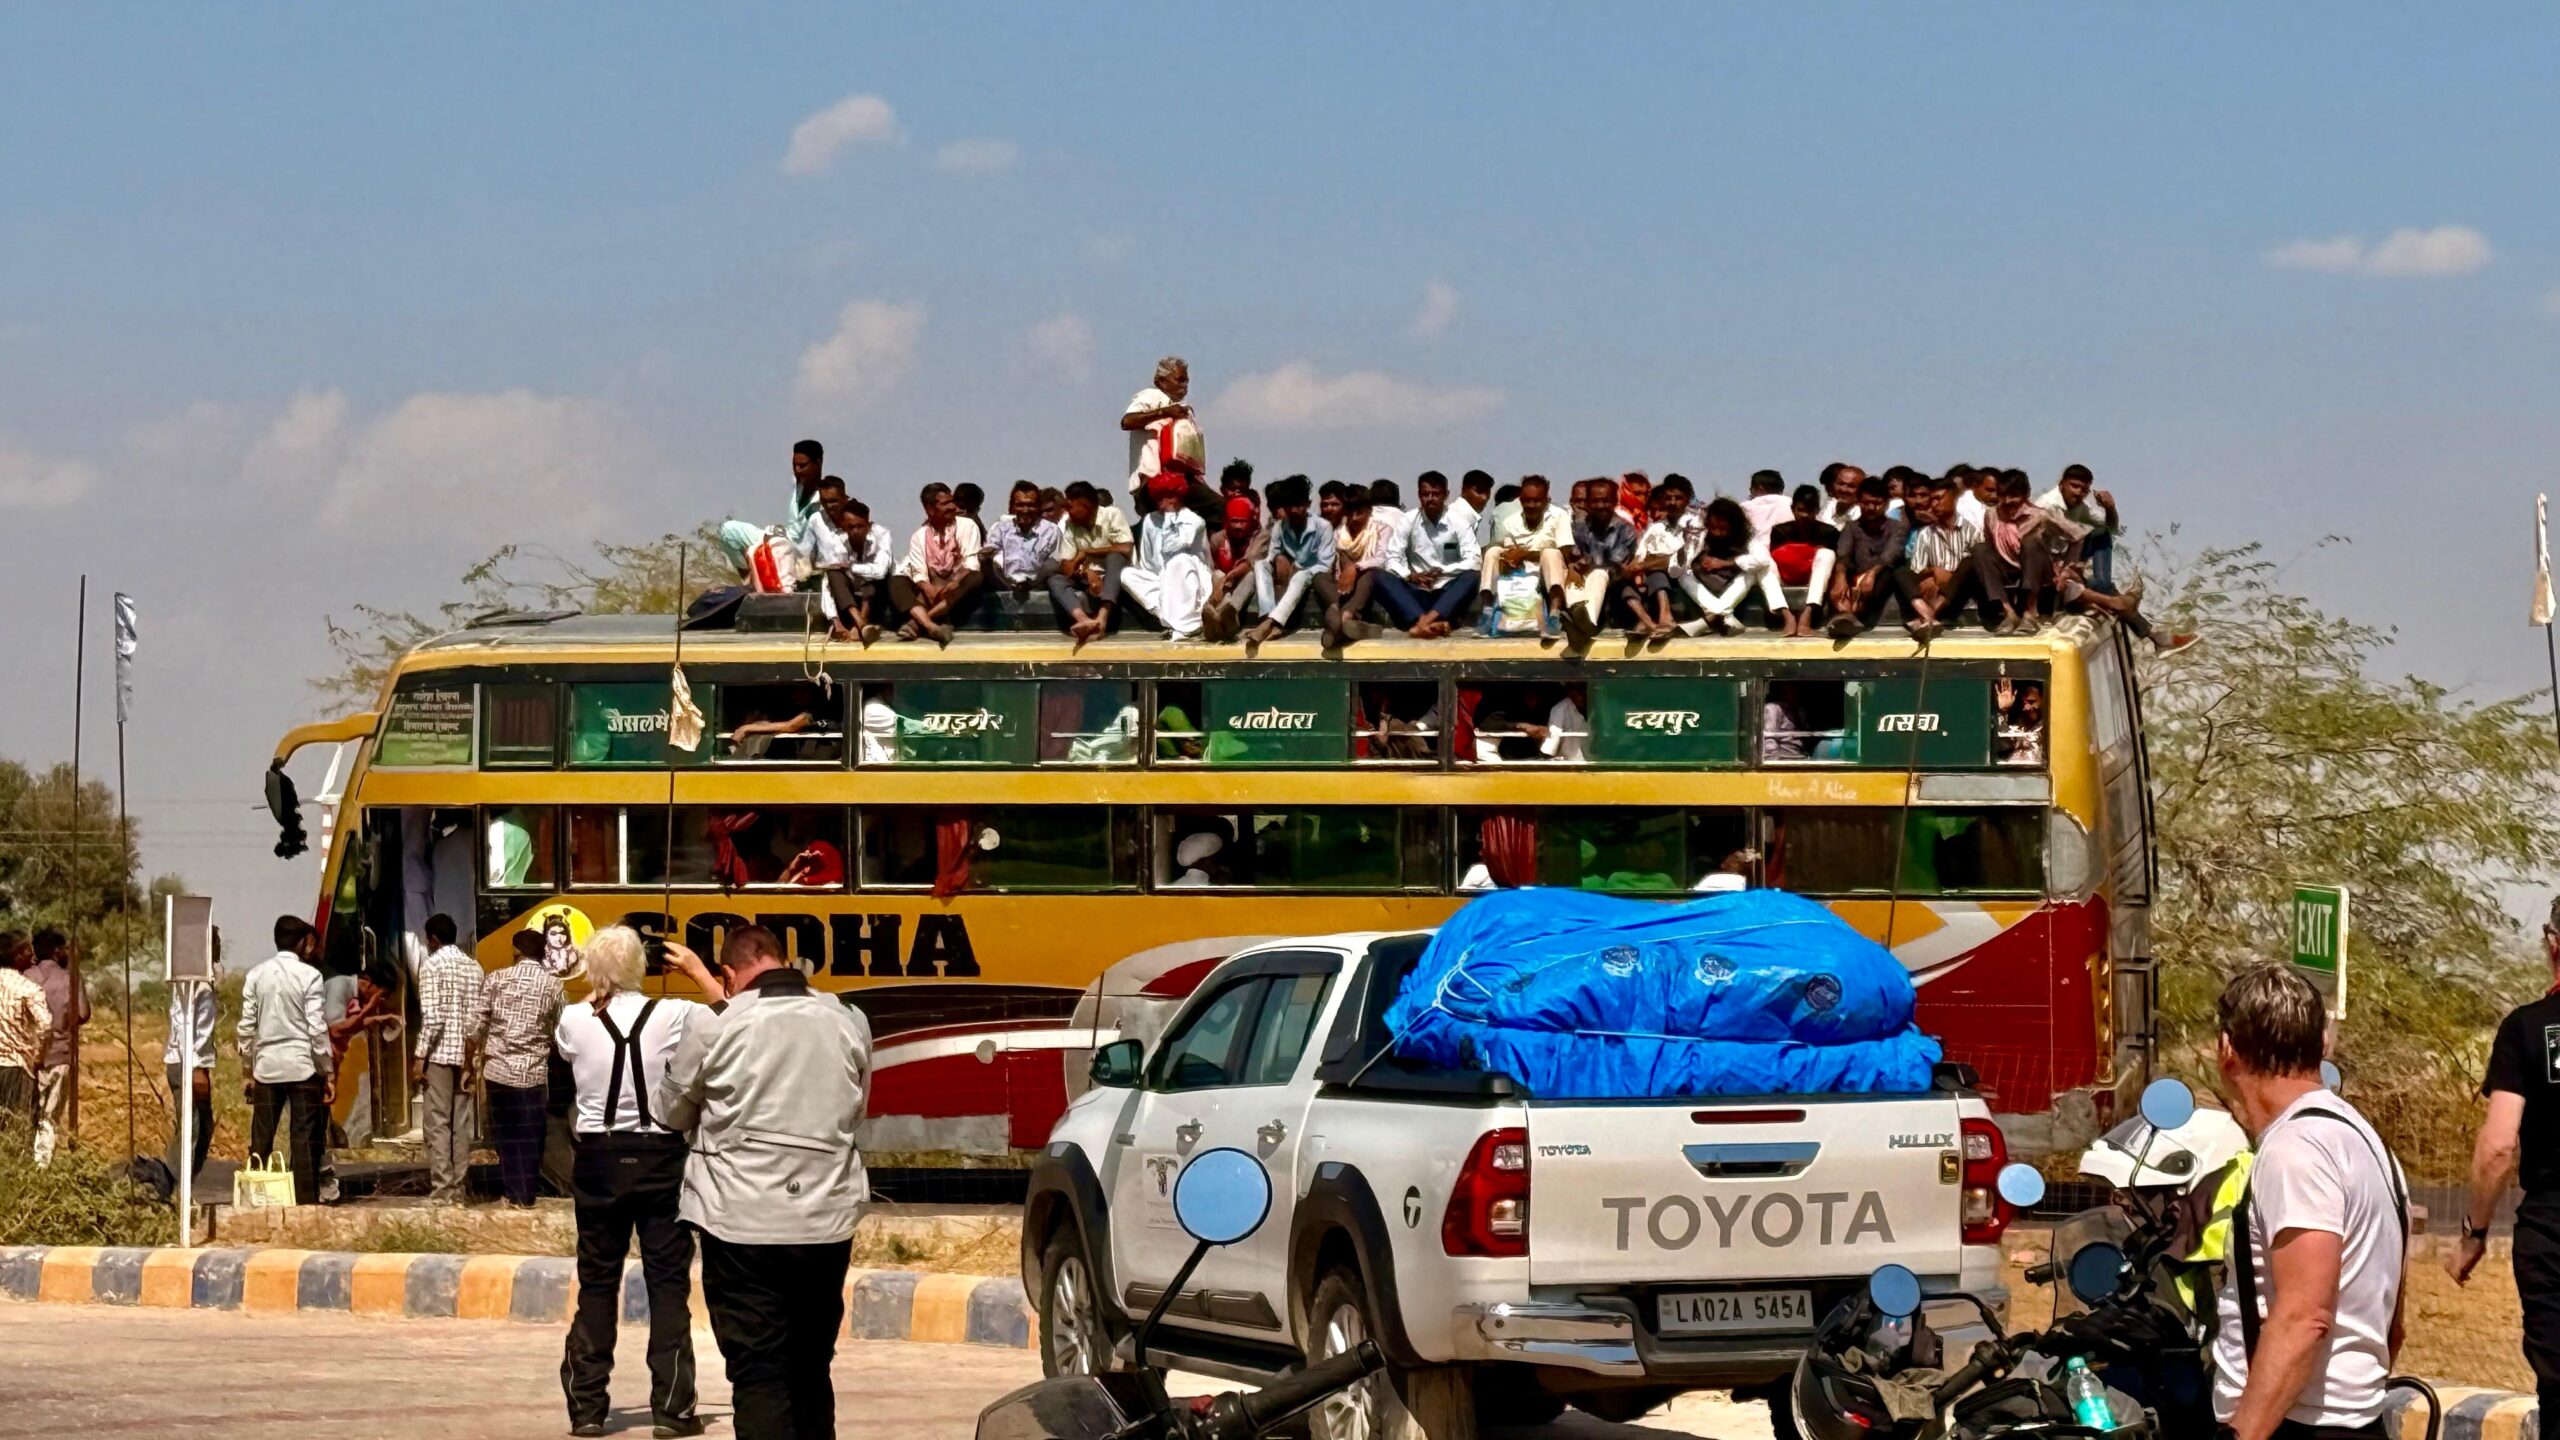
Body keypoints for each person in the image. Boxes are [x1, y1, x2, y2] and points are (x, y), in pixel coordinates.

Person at [658, 925, 872, 1440]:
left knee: (758, 1373)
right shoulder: (849, 1018)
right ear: (784, 960)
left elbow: (671, 1112)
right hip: (825, 1222)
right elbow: (858, 1107)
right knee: (811, 1367)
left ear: (728, 975)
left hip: (740, 1226)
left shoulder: (715, 1023)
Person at [2209, 965, 2406, 1440]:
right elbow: (2393, 1320)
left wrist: (2244, 1433)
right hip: (2349, 1419)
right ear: (2323, 1043)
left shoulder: (2296, 1149)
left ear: (2227, 1050)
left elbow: (2305, 1316)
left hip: (2296, 1426)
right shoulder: (2366, 1142)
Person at [558, 927, 715, 1439]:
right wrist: (695, 969)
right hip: (660, 1156)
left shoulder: (573, 1019)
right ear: (642, 967)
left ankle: (587, 1407)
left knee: (597, 1280)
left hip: (598, 1158)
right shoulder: (674, 1013)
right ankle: (672, 1407)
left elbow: (573, 1044)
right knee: (668, 1284)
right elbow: (731, 1016)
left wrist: (597, 986)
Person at [2450, 896, 2560, 1424]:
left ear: (2552, 943)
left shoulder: (2526, 1027)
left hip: (2552, 1231)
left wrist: (2474, 1233)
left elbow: (2498, 1146)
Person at [238, 916, 333, 1205]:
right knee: (303, 1140)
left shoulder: (256, 975)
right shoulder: (310, 976)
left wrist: (247, 1069)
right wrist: (327, 1070)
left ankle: (254, 1199)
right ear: (302, 942)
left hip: (266, 1068)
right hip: (302, 1068)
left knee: (261, 1138)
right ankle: (305, 1203)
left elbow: (246, 1028)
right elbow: (316, 1028)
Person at [481, 930, 565, 1210]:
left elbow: (478, 1023)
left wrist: (472, 1060)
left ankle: (510, 1192)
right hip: (533, 1073)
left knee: (505, 1135)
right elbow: (561, 1029)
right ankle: (526, 1194)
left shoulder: (496, 979)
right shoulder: (553, 985)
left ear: (516, 951)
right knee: (531, 1136)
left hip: (498, 1072)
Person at [413, 913, 484, 1207]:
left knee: (437, 1122)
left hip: (440, 1054)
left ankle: (442, 1189)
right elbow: (478, 1019)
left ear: (433, 939)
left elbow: (433, 1017)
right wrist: (472, 1055)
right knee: (460, 1122)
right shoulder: (474, 967)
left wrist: (420, 1056)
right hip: (465, 1056)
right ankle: (459, 1188)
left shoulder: (431, 966)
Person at [1378, 469, 1483, 638]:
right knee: (1379, 577)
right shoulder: (1408, 520)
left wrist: (1441, 572)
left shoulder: (1458, 522)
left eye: (1436, 494)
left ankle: (1424, 623)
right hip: (1417, 591)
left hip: (1447, 592)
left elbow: (1474, 560)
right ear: (1419, 495)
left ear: (1446, 495)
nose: (1430, 498)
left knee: (1472, 576)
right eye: (1425, 494)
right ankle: (1428, 623)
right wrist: (1411, 576)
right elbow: (1392, 559)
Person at [1245, 475, 1338, 654]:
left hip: (1312, 577)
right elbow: (1272, 556)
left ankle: (1271, 623)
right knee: (1260, 565)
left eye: (1299, 505)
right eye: (1290, 506)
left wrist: (1300, 568)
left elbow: (1325, 564)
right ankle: (1266, 616)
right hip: (1288, 574)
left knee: (1301, 575)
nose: (1294, 510)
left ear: (1308, 504)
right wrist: (1278, 561)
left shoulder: (1323, 527)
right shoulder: (1280, 527)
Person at [1479, 474, 1576, 637]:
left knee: (1551, 553)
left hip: (1550, 574)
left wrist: (1527, 554)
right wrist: (1511, 558)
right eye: (1526, 501)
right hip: (1520, 574)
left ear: (1546, 500)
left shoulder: (1560, 516)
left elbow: (1565, 552)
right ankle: (1487, 611)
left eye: (1536, 501)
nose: (1531, 505)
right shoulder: (1511, 521)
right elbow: (1510, 553)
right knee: (1493, 552)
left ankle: (1555, 615)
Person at [718, 440, 829, 580]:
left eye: (802, 466)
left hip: (800, 561)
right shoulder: (799, 486)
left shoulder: (826, 501)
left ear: (818, 463)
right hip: (783, 542)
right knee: (729, 531)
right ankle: (750, 579)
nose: (797, 471)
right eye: (794, 465)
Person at [889, 482, 983, 645]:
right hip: (932, 589)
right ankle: (931, 626)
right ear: (930, 509)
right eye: (945, 503)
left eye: (952, 501)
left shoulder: (967, 526)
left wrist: (955, 581)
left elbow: (971, 562)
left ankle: (916, 624)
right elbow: (917, 570)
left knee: (975, 576)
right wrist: (928, 588)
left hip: (955, 588)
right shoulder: (919, 536)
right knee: (897, 581)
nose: (952, 507)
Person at [1121, 355, 1215, 518]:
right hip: (1153, 481)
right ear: (1161, 381)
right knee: (1219, 509)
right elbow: (1127, 421)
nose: (1184, 386)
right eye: (1180, 380)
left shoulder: (1181, 409)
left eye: (1186, 381)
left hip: (1180, 481)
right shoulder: (1151, 396)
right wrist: (1163, 412)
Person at [1826, 475, 1918, 639]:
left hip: (1881, 578)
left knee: (1892, 570)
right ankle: (1844, 615)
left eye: (1877, 503)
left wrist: (1871, 574)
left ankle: (1852, 616)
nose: (1871, 507)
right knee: (1835, 568)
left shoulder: (1897, 527)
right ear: (1858, 502)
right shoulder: (1851, 527)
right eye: (1866, 502)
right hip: (1856, 577)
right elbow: (1843, 554)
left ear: (1886, 503)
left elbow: (1890, 555)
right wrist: (1840, 576)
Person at [1049, 481, 1135, 647]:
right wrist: (1086, 573)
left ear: (1087, 505)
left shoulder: (1112, 514)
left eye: (1071, 507)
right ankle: (1083, 619)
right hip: (1086, 578)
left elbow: (1125, 548)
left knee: (1115, 557)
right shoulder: (1070, 525)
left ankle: (1102, 618)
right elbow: (1067, 565)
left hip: (1114, 577)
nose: (1067, 512)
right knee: (1055, 578)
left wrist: (1088, 552)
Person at [165, 929, 221, 1183]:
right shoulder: (194, 983)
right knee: (192, 1128)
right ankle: (176, 1188)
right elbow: (185, 1025)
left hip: (191, 1062)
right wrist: (196, 1067)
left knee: (202, 1127)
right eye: (215, 942)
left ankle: (182, 1185)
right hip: (187, 1062)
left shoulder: (201, 980)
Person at [1124, 485, 1216, 640]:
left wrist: (1170, 516)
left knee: (1179, 561)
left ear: (1178, 498)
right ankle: (1170, 618)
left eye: (1167, 497)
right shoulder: (1150, 520)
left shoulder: (1193, 520)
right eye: (1159, 498)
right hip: (1161, 577)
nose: (1161, 502)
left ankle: (1189, 623)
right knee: (1127, 575)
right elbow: (1148, 560)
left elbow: (1173, 546)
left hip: (1189, 577)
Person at [1906, 473, 1990, 638]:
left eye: (1939, 498)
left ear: (1953, 498)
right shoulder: (1925, 534)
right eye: (1932, 500)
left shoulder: (1971, 531)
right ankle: (1931, 614)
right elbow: (1917, 569)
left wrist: (1950, 576)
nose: (1934, 504)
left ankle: (1929, 615)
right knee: (1907, 574)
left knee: (1969, 562)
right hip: (1935, 593)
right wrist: (1934, 570)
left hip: (1962, 598)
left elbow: (1976, 569)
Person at [27, 929, 85, 1168]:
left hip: (29, 1058)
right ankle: (41, 1167)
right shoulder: (68, 979)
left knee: (29, 1114)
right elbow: (83, 1013)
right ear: (56, 951)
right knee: (50, 1117)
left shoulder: (26, 976)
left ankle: (25, 1163)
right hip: (60, 1055)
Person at [806, 479, 886, 644]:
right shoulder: (815, 521)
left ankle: (860, 623)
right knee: (831, 576)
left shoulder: (854, 520)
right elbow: (811, 559)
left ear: (845, 498)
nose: (829, 506)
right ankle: (839, 624)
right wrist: (830, 565)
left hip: (859, 575)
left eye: (834, 501)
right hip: (832, 576)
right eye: (825, 502)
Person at [1688, 494, 1779, 637]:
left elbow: (1763, 560)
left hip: (1732, 584)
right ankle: (1721, 613)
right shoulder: (1703, 536)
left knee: (1752, 571)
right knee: (1683, 573)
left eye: (1723, 528)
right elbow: (1685, 559)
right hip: (1707, 582)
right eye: (1713, 527)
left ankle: (1712, 616)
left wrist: (1725, 563)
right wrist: (1701, 558)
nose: (1717, 533)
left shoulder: (1747, 539)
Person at [1564, 477, 1636, 642]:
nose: (1600, 505)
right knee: (1570, 575)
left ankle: (1587, 622)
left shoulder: (1625, 531)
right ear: (1588, 503)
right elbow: (1575, 554)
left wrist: (1586, 565)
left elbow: (1615, 567)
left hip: (1613, 587)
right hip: (1585, 579)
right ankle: (1576, 618)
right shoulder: (1580, 526)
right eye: (1595, 501)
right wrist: (1573, 567)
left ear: (1615, 502)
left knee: (1599, 574)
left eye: (1605, 501)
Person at [1767, 483, 1841, 638]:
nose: (1805, 515)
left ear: (1817, 511)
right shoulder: (1780, 531)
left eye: (1810, 511)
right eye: (1800, 510)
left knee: (1827, 554)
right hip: (1786, 576)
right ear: (1793, 509)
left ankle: (1806, 617)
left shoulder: (1829, 532)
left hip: (1814, 578)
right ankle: (1787, 616)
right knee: (1764, 562)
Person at [2038, 463, 2122, 591]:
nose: (2078, 493)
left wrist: (2109, 508)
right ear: (2061, 485)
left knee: (2102, 533)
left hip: (2069, 555)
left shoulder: (2080, 506)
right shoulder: (2048, 504)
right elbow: (2073, 534)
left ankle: (2103, 584)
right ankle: (2098, 587)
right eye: (2074, 486)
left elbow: (2111, 529)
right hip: (2044, 558)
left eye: (2084, 490)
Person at [1326, 486, 1393, 647]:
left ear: (1369, 511)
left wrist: (1355, 568)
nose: (1354, 518)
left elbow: (1382, 560)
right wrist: (1345, 570)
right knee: (1319, 578)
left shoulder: (1382, 529)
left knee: (1370, 574)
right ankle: (1347, 624)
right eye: (1350, 513)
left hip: (1369, 585)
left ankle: (1343, 619)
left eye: (1359, 513)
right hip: (1343, 587)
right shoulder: (1339, 533)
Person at [0, 935, 50, 1146]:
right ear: (16, 955)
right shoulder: (27, 989)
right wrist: (39, 1057)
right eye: (27, 950)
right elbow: (46, 1026)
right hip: (17, 1068)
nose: (33, 955)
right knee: (17, 1132)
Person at [1201, 496, 1263, 642]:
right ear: (1227, 521)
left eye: (1243, 521)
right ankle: (1218, 620)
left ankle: (1229, 613)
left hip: (1245, 589)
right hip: (1222, 590)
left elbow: (1248, 563)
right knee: (1216, 574)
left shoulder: (1261, 536)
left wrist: (1225, 579)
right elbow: (1210, 566)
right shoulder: (1217, 539)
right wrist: (1220, 581)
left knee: (1251, 575)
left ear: (1251, 521)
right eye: (1234, 521)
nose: (1238, 526)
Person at [988, 480, 1062, 599]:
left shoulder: (1051, 531)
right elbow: (995, 560)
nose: (1025, 510)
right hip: (1003, 588)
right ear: (1012, 506)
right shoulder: (999, 529)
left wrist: (1031, 583)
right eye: (1020, 505)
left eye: (1031, 505)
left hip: (1040, 590)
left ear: (1038, 507)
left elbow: (1052, 564)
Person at [1740, 470, 1791, 545]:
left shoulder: (1745, 507)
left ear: (1759, 488)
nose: (1750, 494)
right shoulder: (1791, 504)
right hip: (1785, 549)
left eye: (1751, 489)